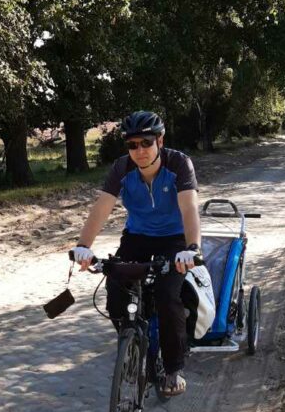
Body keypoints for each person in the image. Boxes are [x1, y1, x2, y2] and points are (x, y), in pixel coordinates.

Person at [72, 110, 201, 397]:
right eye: (132, 145)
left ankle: (172, 368)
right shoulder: (122, 168)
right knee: (116, 292)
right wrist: (83, 245)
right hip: (137, 238)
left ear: (160, 141)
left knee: (169, 297)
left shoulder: (179, 164)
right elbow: (102, 207)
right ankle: (132, 344)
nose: (139, 150)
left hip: (174, 240)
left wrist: (191, 249)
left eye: (146, 142)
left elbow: (189, 208)